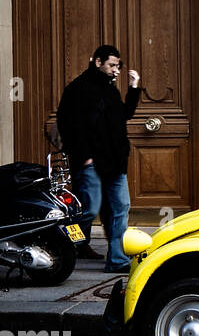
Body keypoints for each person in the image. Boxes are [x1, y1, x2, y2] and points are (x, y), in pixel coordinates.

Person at [57, 44, 140, 273]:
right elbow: (67, 124)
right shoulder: (78, 88)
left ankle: (117, 261)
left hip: (115, 162)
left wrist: (133, 88)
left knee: (120, 208)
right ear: (98, 62)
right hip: (91, 161)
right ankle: (65, 244)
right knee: (89, 209)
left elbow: (125, 115)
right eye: (112, 65)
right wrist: (84, 158)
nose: (117, 70)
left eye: (118, 66)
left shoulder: (111, 89)